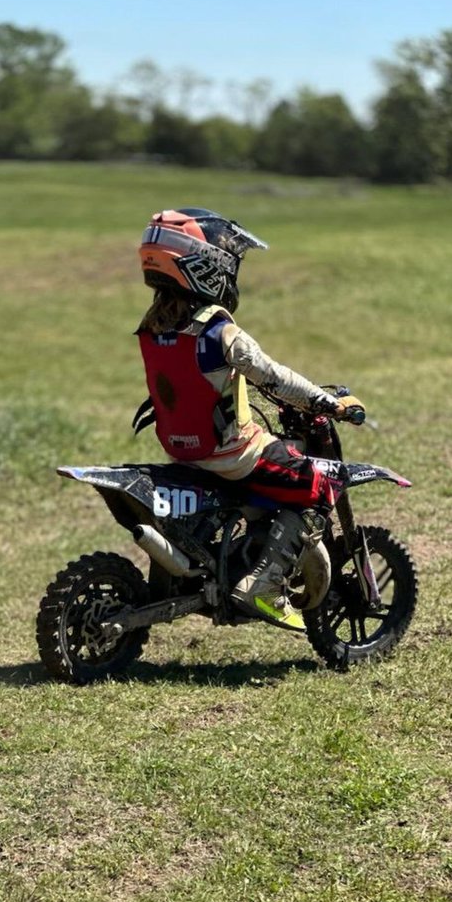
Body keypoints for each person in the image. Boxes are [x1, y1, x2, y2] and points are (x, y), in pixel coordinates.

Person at [135, 207, 365, 630]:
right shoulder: (217, 331)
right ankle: (265, 584)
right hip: (233, 455)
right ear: (206, 267)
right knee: (318, 484)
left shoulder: (152, 328)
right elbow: (274, 377)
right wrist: (329, 404)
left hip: (184, 453)